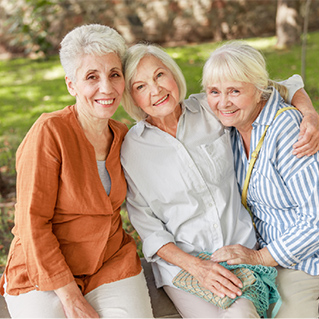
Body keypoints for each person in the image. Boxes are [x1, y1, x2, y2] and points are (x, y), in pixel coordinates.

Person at [120, 43, 319, 318]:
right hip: (184, 267)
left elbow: (275, 86)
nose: (156, 90)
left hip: (241, 254)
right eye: (140, 86)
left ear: (173, 75)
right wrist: (196, 267)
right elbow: (148, 227)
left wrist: (308, 113)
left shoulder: (212, 107)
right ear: (131, 97)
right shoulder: (132, 149)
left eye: (159, 75)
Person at [0, 24, 153, 318]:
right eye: (91, 77)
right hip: (42, 268)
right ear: (71, 85)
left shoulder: (123, 136)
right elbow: (32, 224)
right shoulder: (49, 132)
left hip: (109, 262)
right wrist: (69, 295)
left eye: (114, 75)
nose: (106, 88)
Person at [202, 41, 319, 318]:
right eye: (214, 92)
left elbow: (316, 218)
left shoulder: (288, 129)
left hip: (306, 260)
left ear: (259, 90)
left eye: (235, 91)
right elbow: (289, 83)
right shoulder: (231, 126)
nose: (223, 102)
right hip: (270, 258)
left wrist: (260, 258)